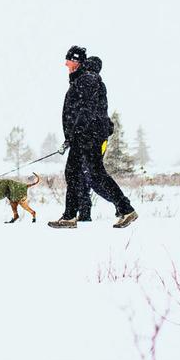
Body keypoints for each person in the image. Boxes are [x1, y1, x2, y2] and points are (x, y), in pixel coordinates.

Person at [49, 46, 138, 229]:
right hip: (84, 136)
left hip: (88, 136)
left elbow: (86, 110)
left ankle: (126, 209)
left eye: (69, 60)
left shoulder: (88, 79)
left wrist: (77, 132)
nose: (66, 64)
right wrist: (71, 137)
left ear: (77, 61)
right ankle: (70, 216)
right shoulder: (82, 80)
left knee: (95, 176)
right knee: (74, 174)